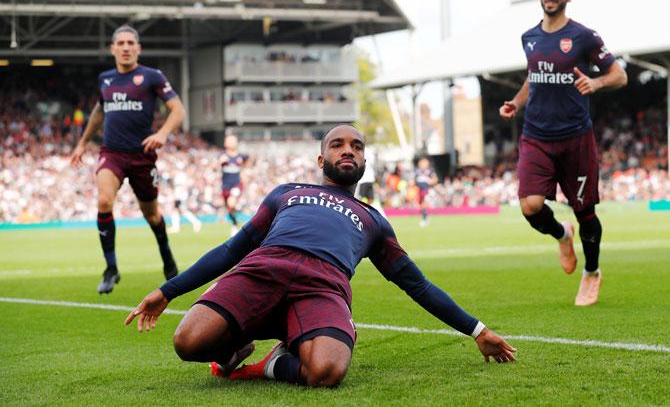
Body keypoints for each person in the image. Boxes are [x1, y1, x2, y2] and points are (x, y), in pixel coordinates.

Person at [125, 124, 516, 389]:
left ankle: (273, 363)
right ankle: (235, 348)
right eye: (338, 145)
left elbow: (416, 284)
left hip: (322, 285)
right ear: (320, 160)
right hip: (263, 269)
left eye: (357, 147)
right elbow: (233, 249)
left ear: (363, 163)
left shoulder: (374, 220)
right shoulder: (285, 193)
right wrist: (168, 291)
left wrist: (477, 330)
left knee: (326, 372)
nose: (348, 150)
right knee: (188, 342)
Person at [499, 0, 627, 306]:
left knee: (586, 212)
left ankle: (592, 272)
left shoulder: (583, 36)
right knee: (530, 205)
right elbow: (534, 78)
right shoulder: (529, 37)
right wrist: (516, 101)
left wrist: (596, 83)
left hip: (576, 138)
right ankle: (561, 233)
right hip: (536, 136)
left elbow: (620, 75)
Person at [70, 24, 186, 294]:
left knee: (152, 216)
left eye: (130, 43)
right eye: (120, 43)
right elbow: (99, 111)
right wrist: (82, 142)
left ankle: (167, 258)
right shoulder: (106, 79)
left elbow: (178, 109)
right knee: (103, 201)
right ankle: (111, 268)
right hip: (111, 153)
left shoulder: (151, 77)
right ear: (112, 49)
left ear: (138, 48)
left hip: (142, 156)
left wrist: (163, 133)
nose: (125, 47)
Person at [219, 134, 248, 236]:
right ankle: (235, 223)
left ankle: (239, 208)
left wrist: (244, 172)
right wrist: (220, 162)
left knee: (231, 203)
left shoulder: (241, 156)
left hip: (236, 184)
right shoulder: (222, 155)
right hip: (225, 186)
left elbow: (247, 163)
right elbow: (214, 166)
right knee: (229, 208)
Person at [414, 156, 438, 227]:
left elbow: (435, 180)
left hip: (427, 190)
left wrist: (430, 181)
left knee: (424, 204)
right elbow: (414, 180)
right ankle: (425, 218)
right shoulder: (417, 171)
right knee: (421, 205)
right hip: (419, 191)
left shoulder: (430, 171)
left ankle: (424, 219)